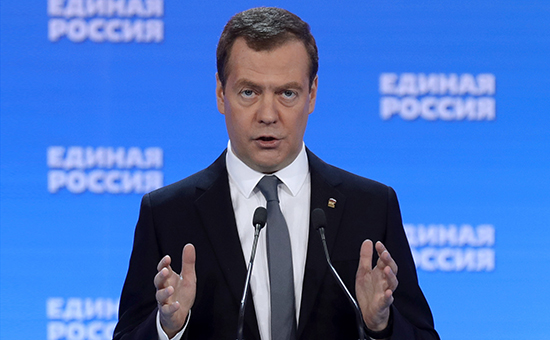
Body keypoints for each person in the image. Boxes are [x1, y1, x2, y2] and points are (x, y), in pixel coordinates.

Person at [113, 7, 439, 340]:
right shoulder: (167, 213)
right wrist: (168, 328)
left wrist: (380, 326)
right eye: (249, 92)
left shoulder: (370, 207)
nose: (268, 115)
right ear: (220, 93)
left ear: (311, 95)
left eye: (287, 93)